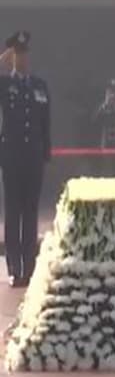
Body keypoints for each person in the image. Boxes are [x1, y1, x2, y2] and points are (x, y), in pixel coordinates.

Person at [0, 31, 52, 288]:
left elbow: (45, 122)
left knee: (30, 212)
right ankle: (14, 266)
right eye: (18, 54)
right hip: (11, 157)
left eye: (25, 54)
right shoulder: (5, 85)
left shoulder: (39, 85)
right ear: (12, 57)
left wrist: (45, 153)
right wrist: (2, 61)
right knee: (13, 212)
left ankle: (29, 267)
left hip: (33, 157)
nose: (23, 59)